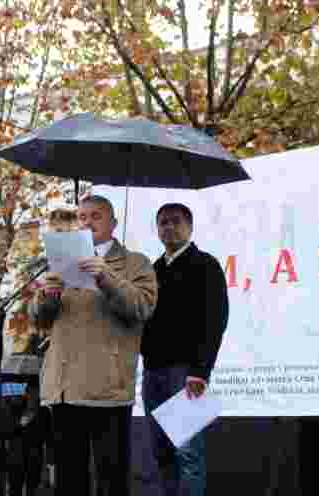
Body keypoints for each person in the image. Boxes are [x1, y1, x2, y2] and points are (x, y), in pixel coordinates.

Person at [31, 194, 158, 496]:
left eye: (96, 216)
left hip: (106, 388)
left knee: (110, 478)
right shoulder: (61, 263)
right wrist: (47, 296)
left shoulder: (135, 263)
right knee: (68, 477)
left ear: (113, 223)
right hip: (64, 387)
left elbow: (141, 307)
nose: (88, 222)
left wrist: (105, 276)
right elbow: (40, 321)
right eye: (83, 217)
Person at [141, 202, 229, 496]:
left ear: (189, 227)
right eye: (163, 222)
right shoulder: (152, 270)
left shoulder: (205, 264)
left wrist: (200, 371)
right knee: (161, 452)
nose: (169, 227)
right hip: (153, 372)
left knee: (189, 454)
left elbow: (215, 321)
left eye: (175, 221)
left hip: (186, 374)